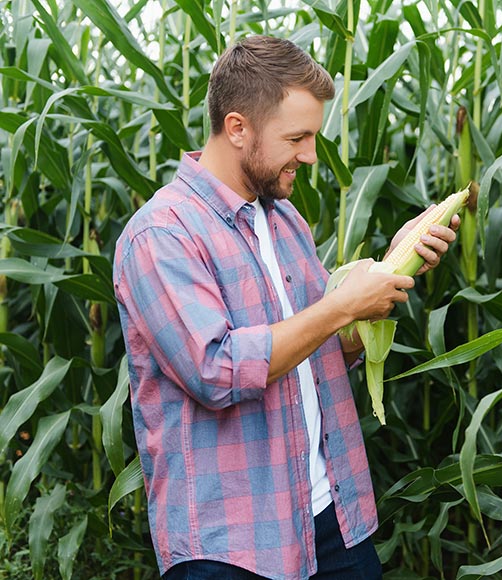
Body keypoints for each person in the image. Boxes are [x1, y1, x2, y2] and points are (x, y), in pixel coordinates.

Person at [113, 35, 459, 580]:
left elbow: (317, 352)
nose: (310, 155)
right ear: (237, 127)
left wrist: (394, 272)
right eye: (296, 137)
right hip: (232, 547)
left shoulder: (284, 221)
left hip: (333, 519)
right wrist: (342, 306)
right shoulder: (162, 236)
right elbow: (216, 370)